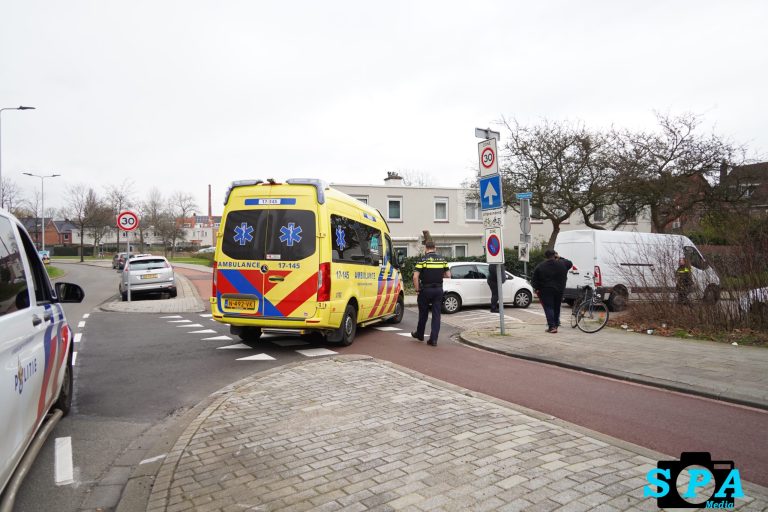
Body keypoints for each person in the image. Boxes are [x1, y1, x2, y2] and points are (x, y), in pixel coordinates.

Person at [411, 240, 451, 346]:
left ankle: (420, 334)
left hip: (425, 290)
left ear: (426, 249)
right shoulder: (442, 260)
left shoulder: (423, 260)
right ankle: (433, 339)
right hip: (438, 290)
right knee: (436, 315)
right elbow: (448, 275)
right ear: (435, 248)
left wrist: (417, 290)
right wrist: (438, 275)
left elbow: (415, 277)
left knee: (423, 313)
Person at [531, 249, 572, 333]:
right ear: (555, 255)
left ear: (545, 256)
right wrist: (559, 257)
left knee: (549, 307)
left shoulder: (540, 266)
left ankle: (552, 326)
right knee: (557, 307)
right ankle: (556, 325)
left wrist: (537, 288)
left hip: (545, 290)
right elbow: (570, 263)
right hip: (559, 289)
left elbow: (534, 280)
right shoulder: (562, 263)